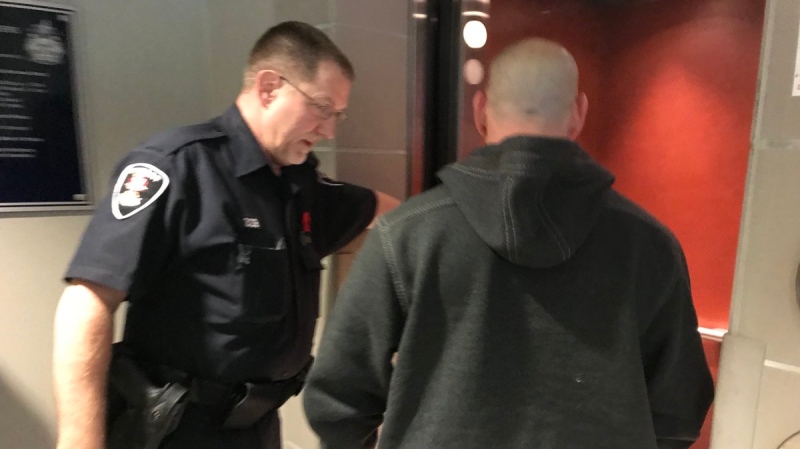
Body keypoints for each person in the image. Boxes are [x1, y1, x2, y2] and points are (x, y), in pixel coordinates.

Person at [302, 38, 715, 449]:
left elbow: (338, 400)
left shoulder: (406, 236)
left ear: (480, 110)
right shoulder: (652, 246)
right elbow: (679, 411)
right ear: (578, 113)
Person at [53, 21, 398, 449]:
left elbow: (391, 213)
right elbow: (86, 302)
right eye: (322, 107)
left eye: (338, 115)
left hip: (256, 425)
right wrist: (80, 440)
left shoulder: (298, 186)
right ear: (270, 87)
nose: (330, 129)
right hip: (173, 427)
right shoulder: (175, 169)